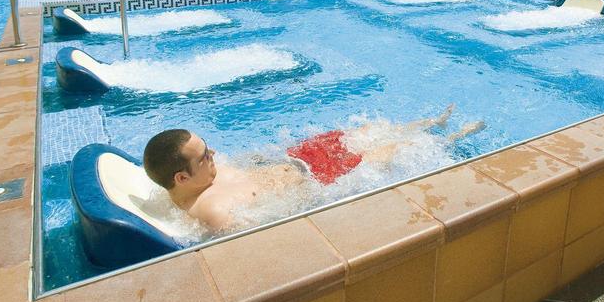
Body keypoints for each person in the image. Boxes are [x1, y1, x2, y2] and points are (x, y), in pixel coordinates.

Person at [142, 106, 484, 231]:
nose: (214, 153)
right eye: (205, 156)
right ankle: (451, 137)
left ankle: (432, 122)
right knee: (397, 151)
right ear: (182, 178)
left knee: (364, 132)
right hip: (318, 178)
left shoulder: (205, 176)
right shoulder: (213, 210)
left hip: (295, 155)